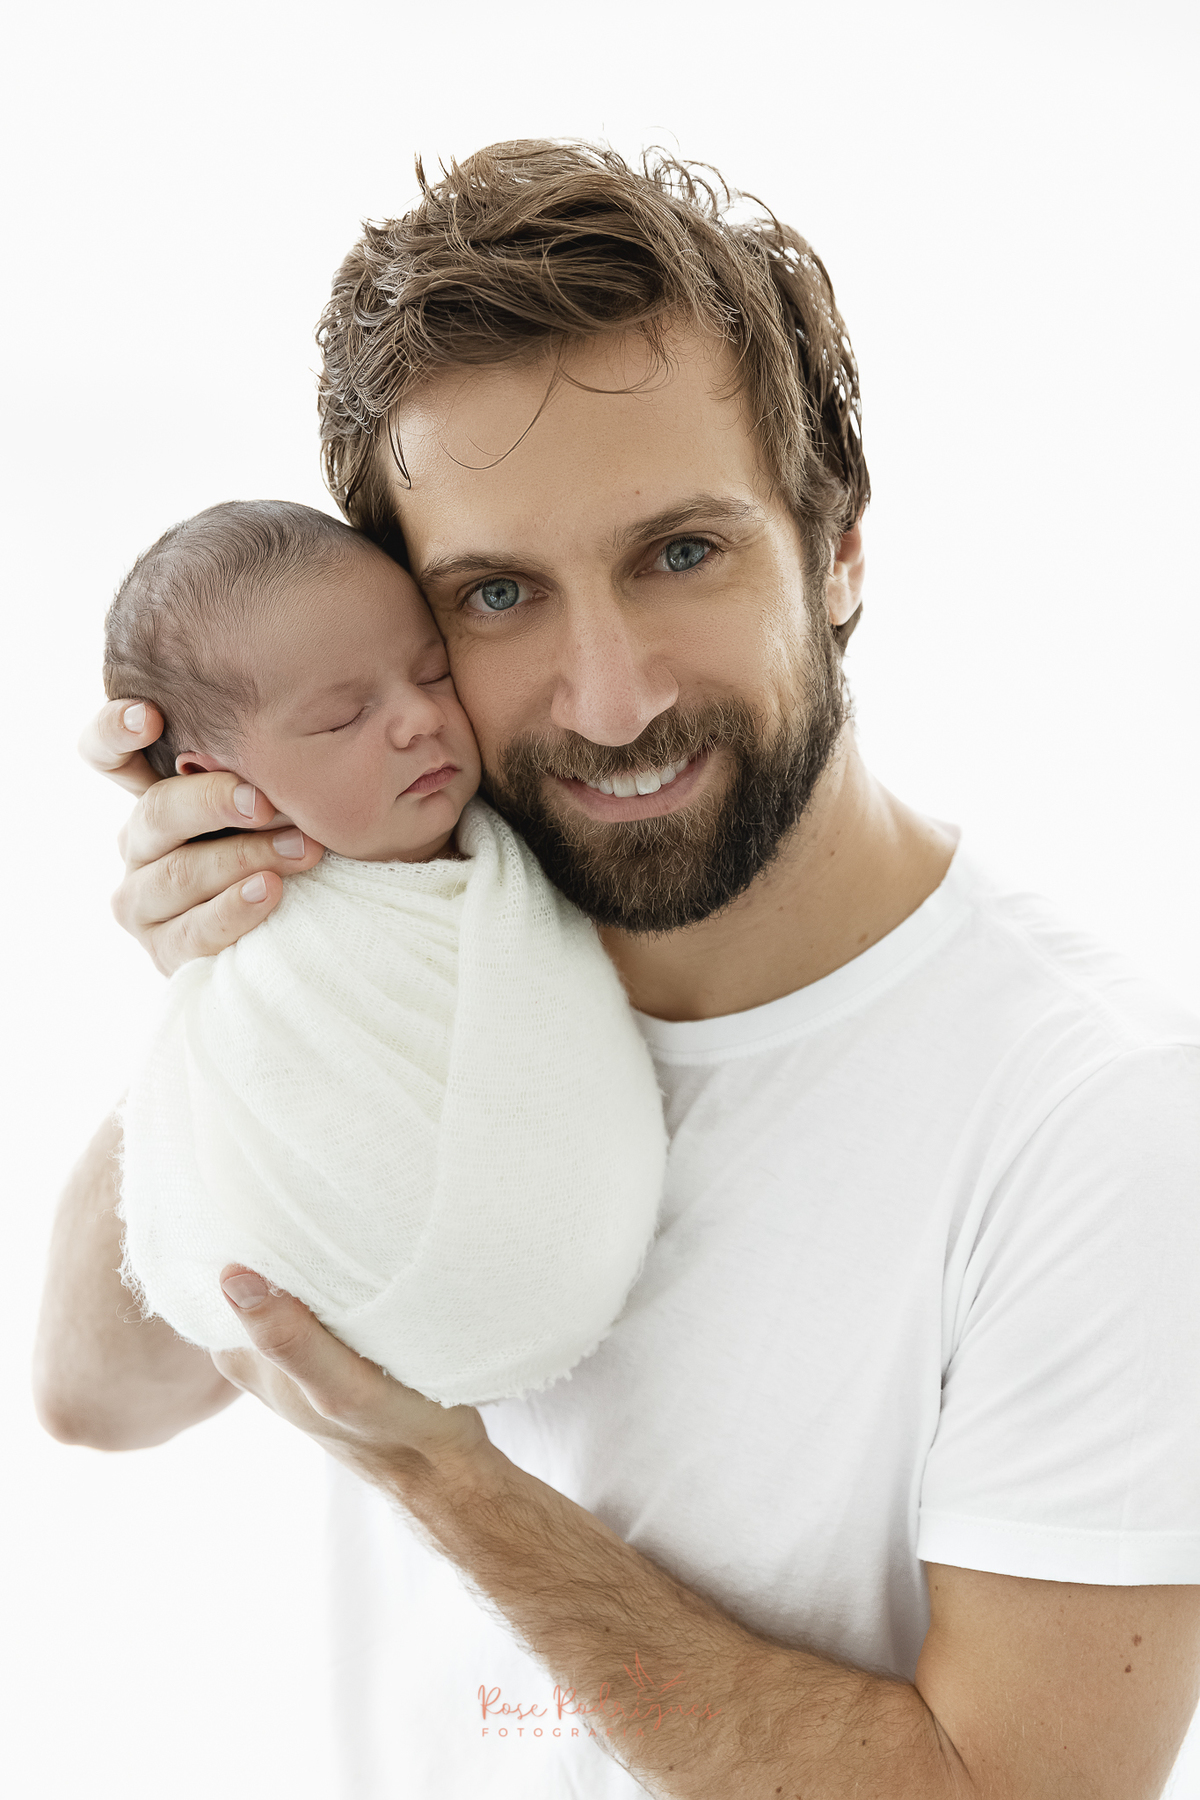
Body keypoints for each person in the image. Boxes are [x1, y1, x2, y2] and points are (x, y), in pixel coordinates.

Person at [35, 141, 1200, 1800]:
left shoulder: (1103, 1126)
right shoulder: (449, 949)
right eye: (498, 593)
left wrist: (448, 1482)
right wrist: (229, 972)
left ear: (839, 544)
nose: (605, 698)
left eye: (681, 554)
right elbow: (99, 1389)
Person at [105, 496, 665, 1407]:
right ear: (221, 785)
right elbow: (91, 1393)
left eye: (434, 674)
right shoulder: (258, 936)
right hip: (387, 1316)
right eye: (341, 719)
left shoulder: (523, 843)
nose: (417, 720)